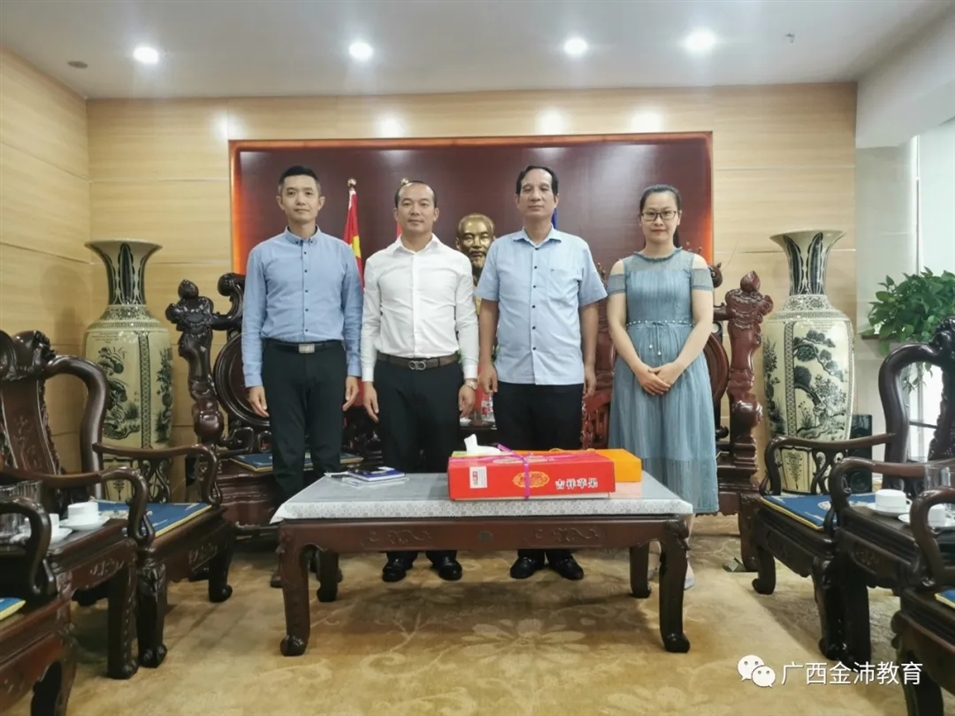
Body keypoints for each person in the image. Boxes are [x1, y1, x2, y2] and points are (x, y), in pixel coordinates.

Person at [476, 165, 607, 581]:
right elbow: (488, 309)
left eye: (544, 189)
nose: (536, 195)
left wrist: (589, 363)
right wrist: (485, 361)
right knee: (518, 467)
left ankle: (561, 548)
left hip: (562, 375)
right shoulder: (500, 250)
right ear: (517, 199)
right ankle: (528, 550)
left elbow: (589, 307)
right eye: (528, 189)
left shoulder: (576, 249)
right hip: (512, 377)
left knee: (560, 467)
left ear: (556, 199)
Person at [242, 165, 362, 584]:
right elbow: (252, 320)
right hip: (281, 362)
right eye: (291, 193)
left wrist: (354, 369)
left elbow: (353, 317)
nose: (300, 200)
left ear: (321, 201)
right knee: (288, 457)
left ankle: (326, 550)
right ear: (280, 201)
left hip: (329, 361)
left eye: (308, 193)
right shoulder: (263, 254)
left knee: (329, 456)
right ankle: (292, 550)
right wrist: (253, 378)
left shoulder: (341, 253)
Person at [361, 180, 479, 583]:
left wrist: (470, 377)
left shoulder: (455, 262)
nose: (415, 210)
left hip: (442, 375)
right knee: (397, 462)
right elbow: (369, 323)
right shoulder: (378, 262)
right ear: (396, 212)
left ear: (436, 212)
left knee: (444, 463)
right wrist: (367, 379)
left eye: (424, 203)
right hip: (391, 375)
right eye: (407, 203)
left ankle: (444, 550)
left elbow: (467, 322)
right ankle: (399, 551)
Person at [605, 184, 718, 590]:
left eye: (666, 213)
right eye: (651, 213)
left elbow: (703, 321)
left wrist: (676, 368)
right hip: (635, 375)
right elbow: (615, 323)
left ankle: (679, 555)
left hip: (684, 374)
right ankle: (649, 550)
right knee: (641, 455)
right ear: (640, 219)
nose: (658, 220)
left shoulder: (694, 264)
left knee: (683, 454)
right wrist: (638, 368)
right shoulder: (623, 268)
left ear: (678, 217)